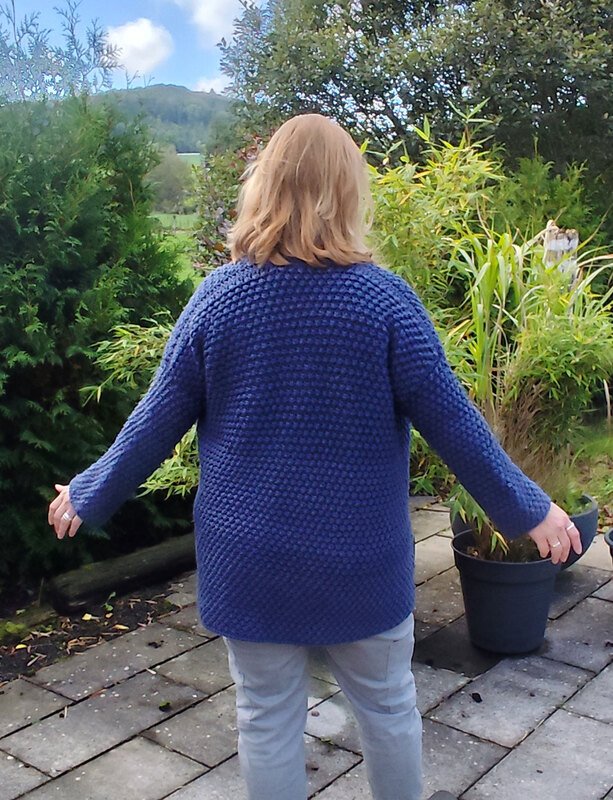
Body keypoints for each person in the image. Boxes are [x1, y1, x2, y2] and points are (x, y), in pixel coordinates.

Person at [49, 113, 582, 800]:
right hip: (358, 561)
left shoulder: (217, 300)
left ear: (263, 187)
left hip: (249, 562)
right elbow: (453, 422)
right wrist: (530, 509)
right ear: (348, 192)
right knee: (387, 709)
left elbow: (156, 420)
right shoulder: (384, 302)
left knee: (265, 716)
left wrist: (88, 492)